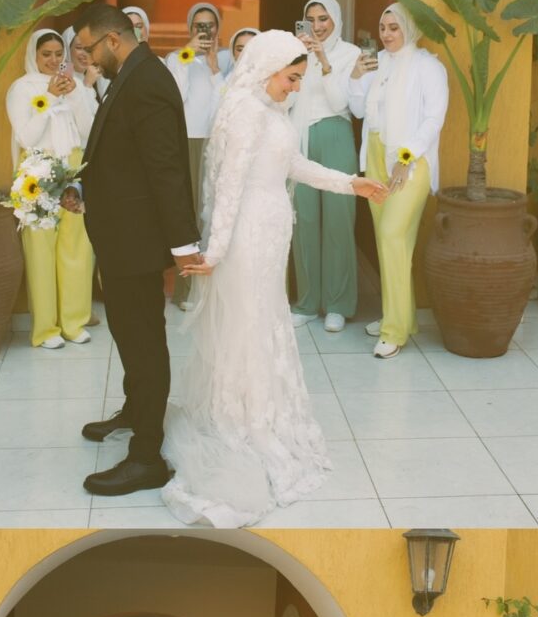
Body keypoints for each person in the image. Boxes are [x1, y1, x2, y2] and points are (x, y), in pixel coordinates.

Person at [159, 29, 388, 528]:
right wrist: (216, 251)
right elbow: (229, 186)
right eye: (292, 78)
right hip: (245, 238)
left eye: (300, 79)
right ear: (267, 69)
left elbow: (294, 164)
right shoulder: (245, 112)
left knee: (265, 324)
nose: (296, 88)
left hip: (268, 234)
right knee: (248, 328)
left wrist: (351, 183)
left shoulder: (271, 110)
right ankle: (242, 418)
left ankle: (261, 410)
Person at [73, 3, 202, 498]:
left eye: (89, 49)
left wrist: (183, 244)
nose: (86, 59)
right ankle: (134, 411)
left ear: (113, 40)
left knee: (145, 342)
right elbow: (118, 155)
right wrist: (80, 188)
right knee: (128, 335)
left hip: (138, 240)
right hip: (120, 236)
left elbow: (165, 167)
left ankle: (147, 456)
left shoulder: (147, 80)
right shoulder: (127, 74)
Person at [349, 2, 448, 359]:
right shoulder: (379, 64)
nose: (387, 34)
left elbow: (434, 119)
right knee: (389, 240)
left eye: (394, 27)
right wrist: (356, 77)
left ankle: (394, 330)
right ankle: (400, 315)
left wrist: (407, 157)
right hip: (376, 156)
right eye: (383, 27)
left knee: (392, 234)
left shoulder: (428, 66)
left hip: (409, 162)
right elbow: (358, 110)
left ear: (409, 28)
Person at [5, 29, 97, 349]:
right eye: (46, 54)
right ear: (34, 54)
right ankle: (46, 329)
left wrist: (74, 95)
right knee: (41, 249)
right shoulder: (22, 88)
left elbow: (88, 130)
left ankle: (74, 323)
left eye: (59, 54)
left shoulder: (75, 86)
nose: (54, 60)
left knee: (77, 245)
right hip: (38, 169)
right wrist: (50, 98)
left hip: (73, 166)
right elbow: (26, 137)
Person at [291, 0, 373, 332]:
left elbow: (342, 103)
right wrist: (297, 58)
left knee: (339, 219)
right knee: (305, 220)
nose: (317, 26)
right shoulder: (295, 51)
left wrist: (323, 61)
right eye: (311, 19)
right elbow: (287, 98)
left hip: (336, 134)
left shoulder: (350, 53)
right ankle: (307, 302)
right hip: (300, 138)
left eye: (323, 18)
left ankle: (338, 303)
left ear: (336, 19)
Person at [165, 1, 225, 311]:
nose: (205, 31)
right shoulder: (177, 58)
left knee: (212, 212)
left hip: (215, 142)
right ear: (190, 29)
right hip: (186, 142)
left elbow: (225, 104)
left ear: (218, 28)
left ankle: (212, 289)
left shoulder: (225, 59)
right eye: (199, 25)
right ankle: (187, 291)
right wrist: (189, 53)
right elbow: (176, 94)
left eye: (210, 25)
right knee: (187, 215)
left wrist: (214, 68)